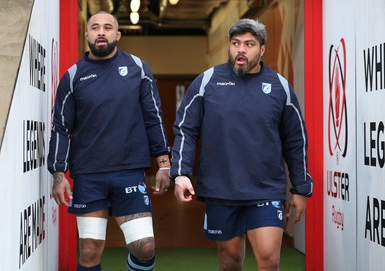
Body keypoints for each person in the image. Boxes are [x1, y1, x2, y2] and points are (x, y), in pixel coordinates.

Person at [170, 18, 313, 271]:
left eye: (249, 44)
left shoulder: (279, 87)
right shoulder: (207, 82)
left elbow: (295, 139)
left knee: (269, 259)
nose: (241, 50)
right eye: (236, 43)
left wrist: (300, 188)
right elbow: (185, 129)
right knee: (230, 261)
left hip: (265, 188)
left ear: (262, 49)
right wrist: (181, 174)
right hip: (221, 189)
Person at [47, 11, 171, 271]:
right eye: (94, 27)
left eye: (107, 27)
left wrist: (164, 163)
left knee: (145, 247)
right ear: (87, 34)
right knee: (89, 251)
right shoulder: (73, 76)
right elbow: (61, 127)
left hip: (129, 173)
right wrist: (58, 173)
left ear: (118, 34)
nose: (100, 32)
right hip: (89, 176)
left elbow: (154, 117)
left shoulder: (138, 68)